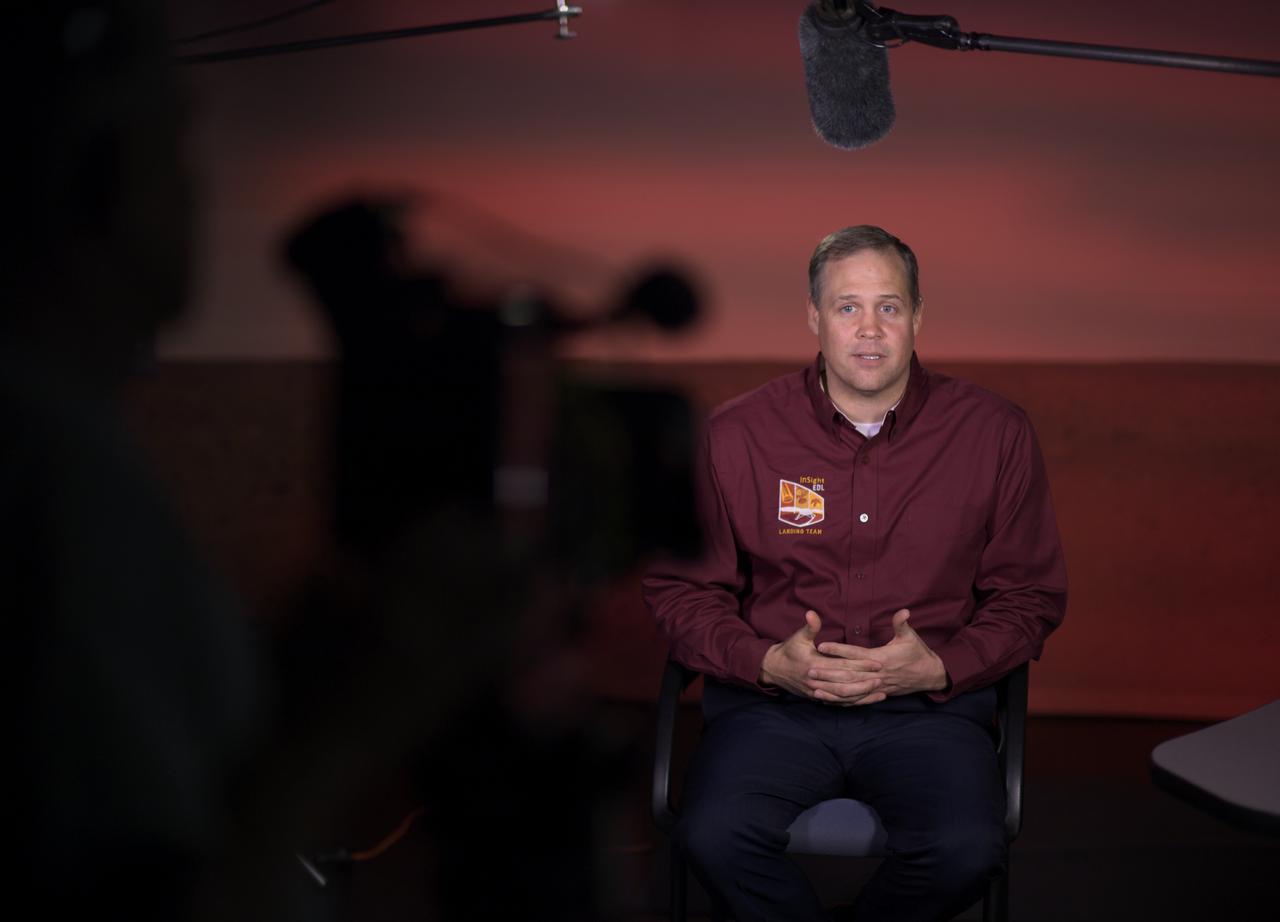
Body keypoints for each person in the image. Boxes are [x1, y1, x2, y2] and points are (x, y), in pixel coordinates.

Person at [642, 225, 1068, 921]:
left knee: (965, 849)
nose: (869, 330)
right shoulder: (736, 435)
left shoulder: (995, 434)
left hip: (927, 717)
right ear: (814, 318)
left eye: (889, 307)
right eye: (847, 307)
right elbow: (682, 589)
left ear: (918, 316)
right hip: (771, 711)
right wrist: (765, 663)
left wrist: (937, 667)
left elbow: (1030, 594)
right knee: (712, 836)